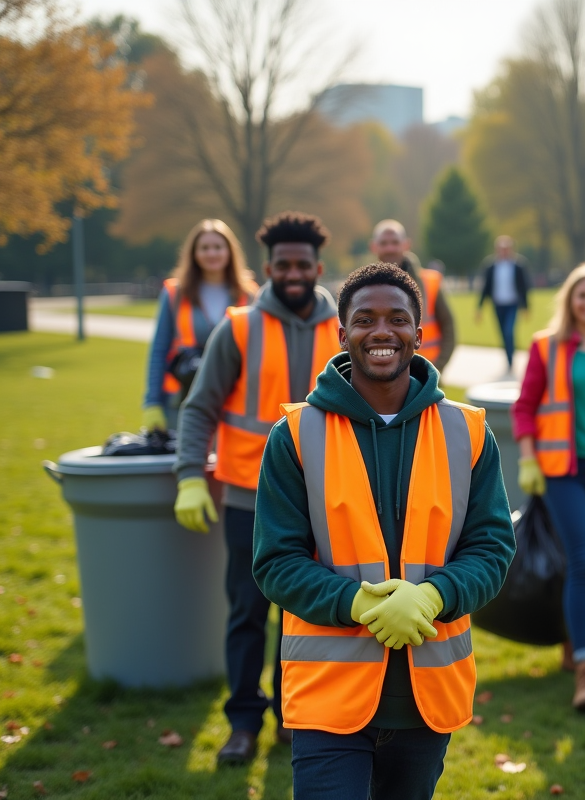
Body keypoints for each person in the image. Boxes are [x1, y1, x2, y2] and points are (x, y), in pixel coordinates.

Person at [253, 263, 515, 799]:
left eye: (398, 319)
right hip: (327, 698)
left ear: (420, 334)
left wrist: (434, 595)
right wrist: (357, 604)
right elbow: (276, 562)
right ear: (341, 331)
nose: (381, 332)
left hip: (426, 699)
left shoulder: (467, 431)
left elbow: (491, 547)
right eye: (364, 318)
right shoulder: (296, 435)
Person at [172, 211, 341, 765]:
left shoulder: (344, 327)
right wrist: (191, 477)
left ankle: (294, 715)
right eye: (283, 264)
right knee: (248, 611)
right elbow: (198, 409)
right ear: (267, 268)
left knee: (308, 614)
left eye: (303, 265)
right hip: (248, 499)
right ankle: (243, 721)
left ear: (318, 268)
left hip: (326, 501)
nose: (293, 273)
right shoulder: (238, 327)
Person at [510, 263, 585, 712]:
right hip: (563, 470)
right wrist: (527, 457)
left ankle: (569, 642)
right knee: (582, 562)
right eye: (583, 295)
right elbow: (525, 407)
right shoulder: (548, 347)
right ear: (570, 300)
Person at [142, 219, 256, 433]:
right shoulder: (174, 293)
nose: (211, 253)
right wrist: (152, 403)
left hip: (233, 402)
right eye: (204, 248)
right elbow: (158, 350)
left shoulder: (249, 294)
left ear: (230, 251)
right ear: (193, 253)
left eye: (218, 247)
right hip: (181, 401)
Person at [369, 219, 457, 373]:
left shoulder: (431, 282)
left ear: (406, 244)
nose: (390, 248)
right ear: (374, 246)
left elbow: (448, 327)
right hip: (380, 377)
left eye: (395, 242)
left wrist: (437, 368)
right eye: (384, 243)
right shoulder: (362, 288)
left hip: (426, 374)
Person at [475, 235, 530, 372]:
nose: (504, 251)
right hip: (498, 305)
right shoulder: (491, 266)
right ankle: (508, 358)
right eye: (501, 249)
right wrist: (480, 308)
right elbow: (486, 287)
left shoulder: (518, 265)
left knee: (508, 331)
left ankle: (511, 360)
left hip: (512, 304)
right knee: (502, 333)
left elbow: (524, 287)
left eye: (506, 249)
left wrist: (526, 307)